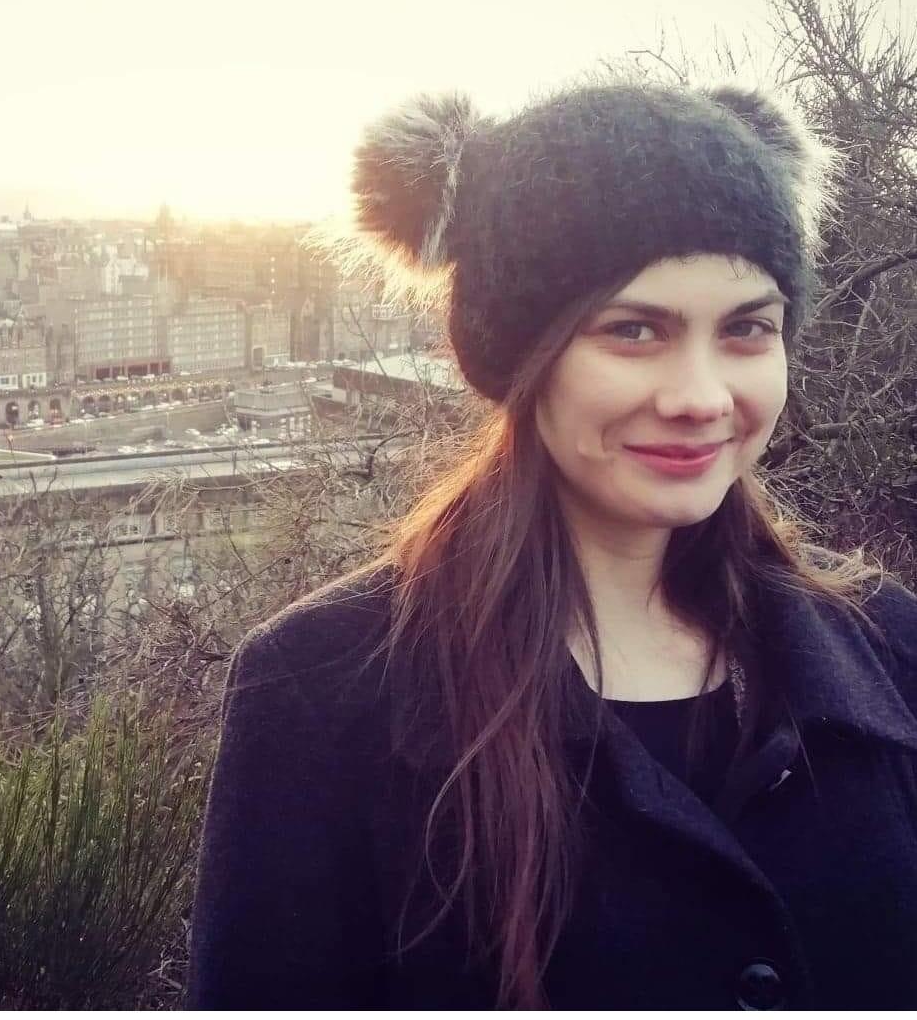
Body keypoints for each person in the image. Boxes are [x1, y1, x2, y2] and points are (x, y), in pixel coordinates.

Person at [186, 83, 917, 1010]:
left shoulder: (891, 652)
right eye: (632, 329)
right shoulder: (322, 693)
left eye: (746, 328)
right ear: (518, 357)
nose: (700, 394)